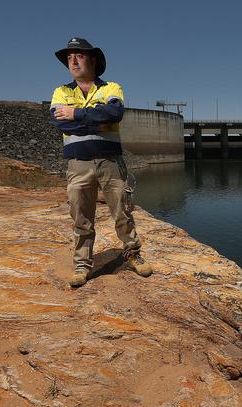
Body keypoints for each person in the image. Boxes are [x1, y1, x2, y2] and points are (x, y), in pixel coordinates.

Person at [51, 37, 152, 288]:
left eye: (79, 55)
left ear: (92, 60)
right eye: (69, 57)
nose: (72, 61)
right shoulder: (61, 92)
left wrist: (76, 113)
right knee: (80, 216)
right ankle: (82, 265)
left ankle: (132, 254)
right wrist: (97, 119)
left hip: (110, 162)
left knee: (122, 211)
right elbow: (60, 122)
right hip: (78, 163)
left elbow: (114, 113)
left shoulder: (111, 88)